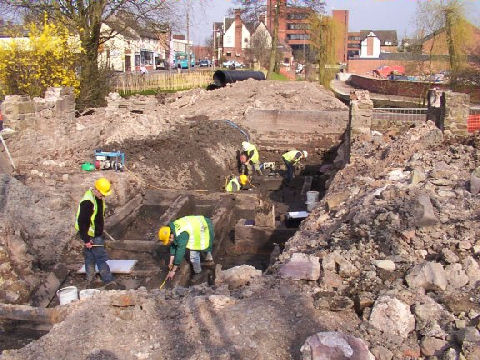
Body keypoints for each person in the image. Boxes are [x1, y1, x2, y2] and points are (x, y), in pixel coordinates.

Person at [75, 177, 117, 289]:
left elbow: (97, 215)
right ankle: (109, 281)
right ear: (97, 190)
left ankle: (90, 280)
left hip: (95, 233)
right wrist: (87, 240)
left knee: (90, 257)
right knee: (101, 257)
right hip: (91, 235)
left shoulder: (97, 197)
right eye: (102, 194)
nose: (104, 196)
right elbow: (82, 222)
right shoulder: (88, 202)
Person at [158, 215, 214, 281]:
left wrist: (173, 271)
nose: (169, 241)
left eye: (169, 239)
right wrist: (170, 262)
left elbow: (180, 253)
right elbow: (173, 245)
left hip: (204, 228)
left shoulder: (181, 235)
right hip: (203, 222)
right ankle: (209, 258)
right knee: (204, 245)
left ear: (170, 235)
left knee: (194, 256)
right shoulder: (173, 228)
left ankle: (198, 272)